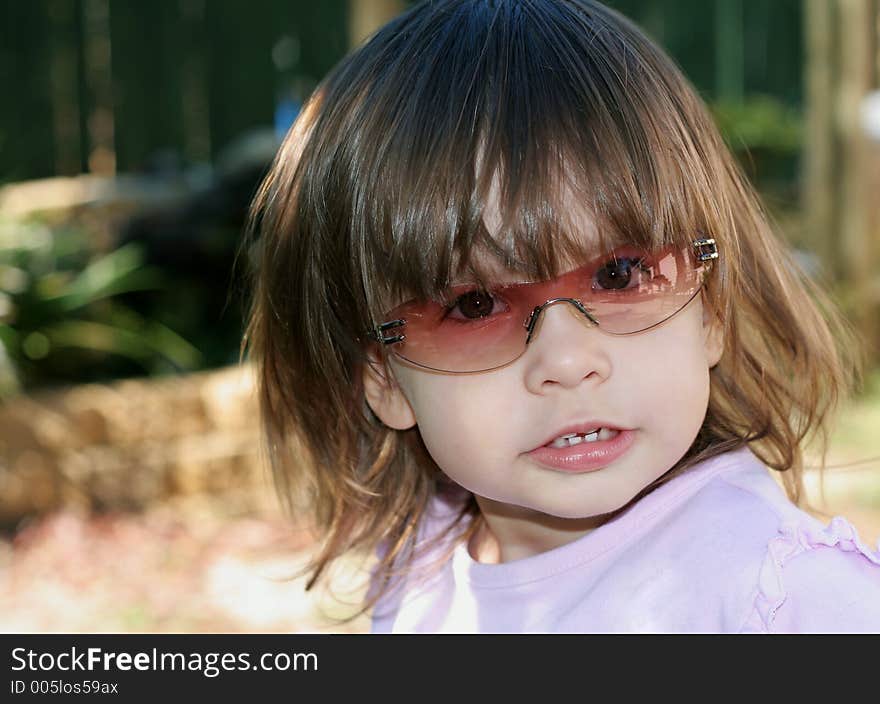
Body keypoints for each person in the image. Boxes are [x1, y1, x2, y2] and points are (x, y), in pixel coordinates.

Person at [241, 0, 880, 632]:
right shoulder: (414, 578)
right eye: (475, 305)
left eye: (619, 274)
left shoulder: (787, 599)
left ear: (709, 306)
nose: (569, 362)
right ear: (382, 375)